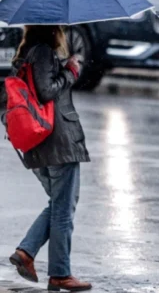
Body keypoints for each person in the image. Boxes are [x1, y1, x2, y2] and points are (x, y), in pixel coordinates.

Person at [7, 25, 92, 292]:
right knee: (64, 208)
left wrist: (63, 67)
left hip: (41, 143)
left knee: (58, 203)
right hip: (57, 141)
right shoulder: (43, 53)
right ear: (52, 31)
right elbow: (46, 91)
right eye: (61, 28)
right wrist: (71, 71)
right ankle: (59, 273)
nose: (64, 33)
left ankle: (27, 252)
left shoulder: (26, 55)